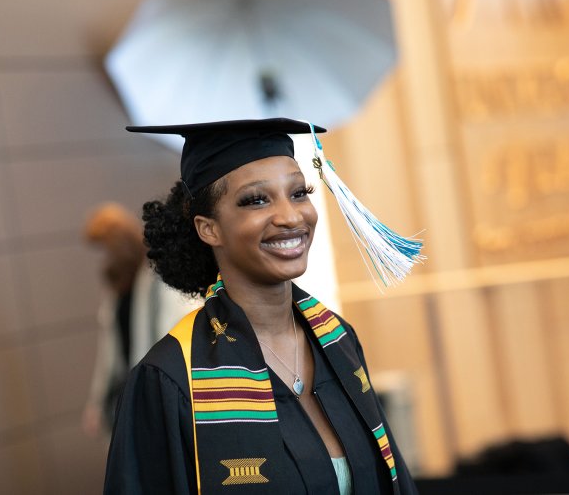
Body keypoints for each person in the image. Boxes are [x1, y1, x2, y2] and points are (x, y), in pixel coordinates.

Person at [104, 119, 418, 494]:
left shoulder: (337, 341)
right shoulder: (170, 378)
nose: (290, 216)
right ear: (209, 229)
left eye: (299, 192)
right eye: (257, 199)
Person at [81, 202, 200, 436]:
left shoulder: (161, 280)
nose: (104, 260)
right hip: (132, 394)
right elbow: (110, 352)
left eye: (106, 250)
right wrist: (97, 403)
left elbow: (179, 335)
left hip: (161, 393)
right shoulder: (119, 289)